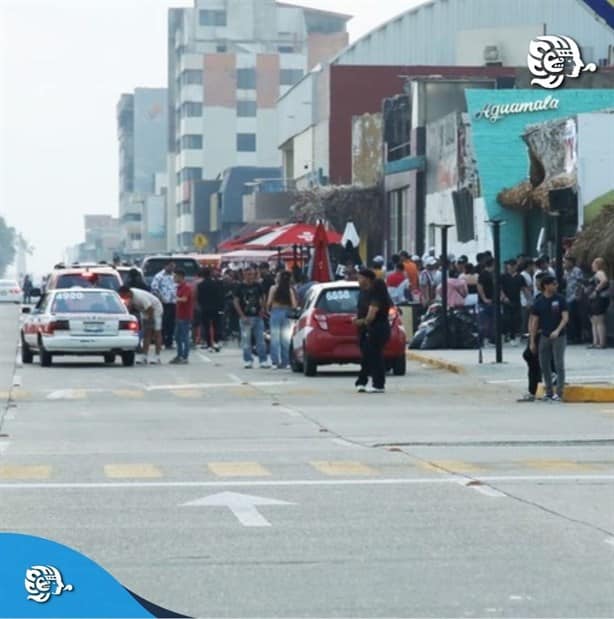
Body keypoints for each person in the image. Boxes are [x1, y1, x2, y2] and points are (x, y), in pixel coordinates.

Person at [530, 275, 569, 402]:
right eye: (553, 284)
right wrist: (532, 341)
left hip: (559, 336)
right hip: (544, 336)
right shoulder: (539, 301)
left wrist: (557, 330)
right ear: (546, 286)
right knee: (544, 364)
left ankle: (559, 392)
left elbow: (565, 317)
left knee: (559, 363)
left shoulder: (560, 299)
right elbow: (534, 322)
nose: (555, 286)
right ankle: (549, 391)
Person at [353, 273, 393, 394]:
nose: (358, 280)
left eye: (360, 277)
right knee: (368, 355)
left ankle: (378, 384)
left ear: (367, 279)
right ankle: (361, 381)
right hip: (370, 329)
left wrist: (361, 322)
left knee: (374, 356)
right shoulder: (364, 293)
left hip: (376, 328)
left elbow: (372, 314)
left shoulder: (376, 295)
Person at [233, 267, 269, 369]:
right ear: (244, 275)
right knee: (246, 341)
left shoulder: (258, 285)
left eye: (252, 274)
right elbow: (236, 301)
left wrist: (263, 309)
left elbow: (263, 297)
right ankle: (248, 360)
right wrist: (242, 316)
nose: (250, 276)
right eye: (248, 274)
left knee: (261, 340)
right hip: (246, 317)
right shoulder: (239, 287)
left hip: (258, 317)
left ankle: (263, 360)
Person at [119, 286, 163, 365]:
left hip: (155, 309)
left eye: (123, 295)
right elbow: (129, 307)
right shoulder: (129, 297)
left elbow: (150, 309)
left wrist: (150, 322)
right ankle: (144, 356)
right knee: (146, 334)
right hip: (144, 311)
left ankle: (157, 356)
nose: (122, 297)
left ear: (128, 293)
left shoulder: (139, 297)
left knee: (156, 333)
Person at [267, 271, 298, 369]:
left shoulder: (273, 288)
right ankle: (286, 362)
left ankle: (275, 362)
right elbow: (294, 305)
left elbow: (269, 302)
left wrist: (268, 310)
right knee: (286, 339)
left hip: (275, 312)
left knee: (275, 338)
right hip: (287, 314)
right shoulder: (290, 289)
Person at [197, 268, 224, 352]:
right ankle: (216, 342)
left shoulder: (200, 285)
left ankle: (209, 344)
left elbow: (199, 297)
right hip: (215, 307)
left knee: (206, 326)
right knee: (216, 325)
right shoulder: (216, 284)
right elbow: (220, 296)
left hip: (205, 308)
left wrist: (201, 305)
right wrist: (221, 307)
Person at [151, 261, 177, 350]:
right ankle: (160, 341)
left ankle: (169, 343)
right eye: (171, 266)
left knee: (171, 324)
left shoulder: (175, 276)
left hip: (173, 303)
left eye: (174, 266)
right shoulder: (159, 276)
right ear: (165, 266)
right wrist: (160, 298)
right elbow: (154, 289)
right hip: (163, 303)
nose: (172, 268)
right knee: (163, 323)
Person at [171, 269, 194, 364]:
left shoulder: (186, 288)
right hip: (179, 316)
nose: (174, 278)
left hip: (185, 316)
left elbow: (184, 299)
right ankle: (179, 355)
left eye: (175, 276)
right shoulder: (178, 288)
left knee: (184, 337)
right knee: (177, 337)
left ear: (180, 277)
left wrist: (175, 298)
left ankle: (185, 357)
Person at [587, 257, 610, 349]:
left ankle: (601, 343)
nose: (592, 265)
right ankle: (595, 341)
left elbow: (604, 281)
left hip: (599, 298)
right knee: (594, 320)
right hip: (595, 299)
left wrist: (596, 291)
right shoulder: (596, 274)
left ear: (597, 265)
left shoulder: (600, 273)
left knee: (599, 320)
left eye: (593, 264)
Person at [500, 259, 523, 345]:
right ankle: (505, 335)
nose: (512, 267)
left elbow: (524, 288)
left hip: (516, 300)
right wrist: (503, 296)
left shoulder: (520, 277)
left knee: (516, 319)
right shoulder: (503, 276)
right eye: (510, 265)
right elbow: (500, 288)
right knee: (506, 319)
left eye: (514, 265)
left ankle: (513, 336)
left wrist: (529, 300)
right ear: (508, 266)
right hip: (506, 301)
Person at [563, 256, 584, 344]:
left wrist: (579, 295)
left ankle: (576, 336)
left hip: (574, 296)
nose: (565, 264)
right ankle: (571, 336)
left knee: (574, 316)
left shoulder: (577, 270)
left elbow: (580, 283)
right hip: (567, 296)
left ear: (571, 262)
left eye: (567, 262)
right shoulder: (565, 271)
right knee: (569, 317)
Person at [477, 258, 495, 343]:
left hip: (492, 300)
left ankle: (491, 338)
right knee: (484, 322)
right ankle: (482, 339)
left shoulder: (492, 274)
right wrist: (484, 298)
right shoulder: (484, 274)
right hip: (485, 301)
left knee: (492, 321)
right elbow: (480, 286)